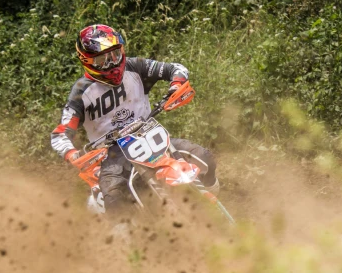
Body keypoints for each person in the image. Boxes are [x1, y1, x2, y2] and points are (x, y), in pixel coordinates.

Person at [50, 24, 219, 216]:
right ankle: (122, 240)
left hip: (150, 137)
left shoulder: (134, 66)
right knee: (114, 197)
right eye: (102, 60)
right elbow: (59, 134)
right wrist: (73, 154)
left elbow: (176, 69)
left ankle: (214, 211)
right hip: (111, 154)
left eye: (114, 55)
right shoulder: (82, 91)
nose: (111, 64)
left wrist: (176, 86)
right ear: (87, 61)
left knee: (204, 157)